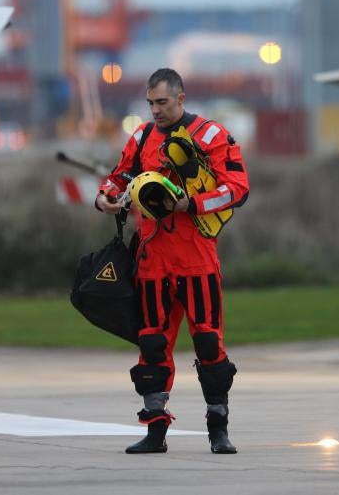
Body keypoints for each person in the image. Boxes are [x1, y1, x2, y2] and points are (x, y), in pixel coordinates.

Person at [95, 68, 249, 454]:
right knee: (151, 346)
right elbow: (118, 177)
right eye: (150, 103)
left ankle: (218, 429)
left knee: (210, 344)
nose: (155, 110)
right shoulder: (142, 137)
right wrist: (105, 198)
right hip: (152, 262)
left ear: (181, 99)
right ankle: (155, 431)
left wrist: (190, 203)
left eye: (161, 102)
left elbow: (238, 187)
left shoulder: (211, 135)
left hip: (197, 261)